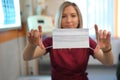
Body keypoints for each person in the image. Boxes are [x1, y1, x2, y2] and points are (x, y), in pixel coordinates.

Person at [23, 1, 114, 80]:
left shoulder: (86, 41)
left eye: (73, 16)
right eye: (63, 16)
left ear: (79, 19)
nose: (69, 20)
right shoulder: (51, 41)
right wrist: (31, 45)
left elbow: (108, 62)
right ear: (59, 19)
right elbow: (27, 57)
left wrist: (107, 49)